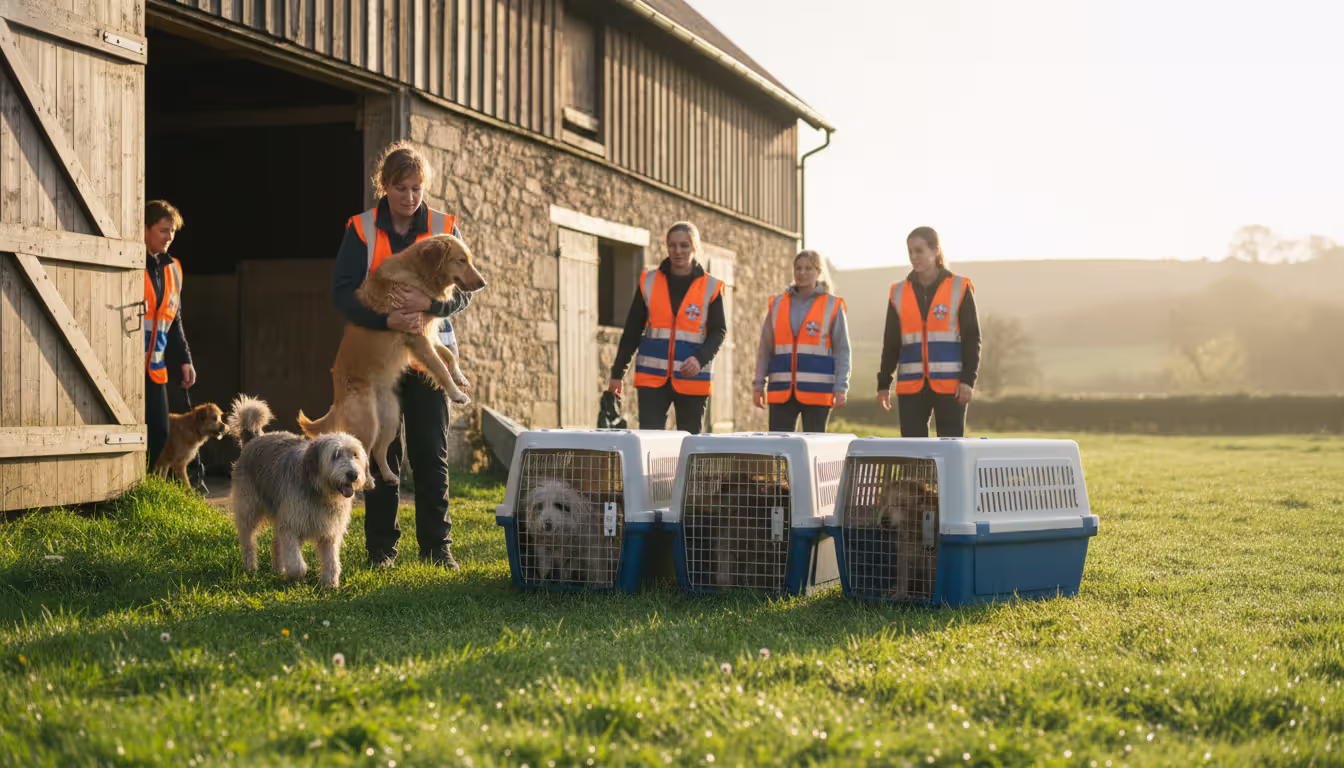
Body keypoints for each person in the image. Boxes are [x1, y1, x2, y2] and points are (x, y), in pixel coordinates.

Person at [331, 140, 472, 570]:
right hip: (379, 364)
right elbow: (343, 295)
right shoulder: (361, 228)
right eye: (400, 188)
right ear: (385, 185)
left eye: (417, 188)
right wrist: (387, 322)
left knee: (432, 456)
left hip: (427, 361)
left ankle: (437, 548)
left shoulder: (445, 226)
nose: (410, 198)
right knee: (380, 457)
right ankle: (381, 552)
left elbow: (463, 296)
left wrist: (432, 306)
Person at [608, 222, 726, 433]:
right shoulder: (649, 281)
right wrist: (617, 374)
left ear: (694, 247)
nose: (677, 251)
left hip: (692, 379)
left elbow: (718, 332)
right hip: (651, 379)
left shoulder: (711, 287)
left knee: (689, 444)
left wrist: (700, 359)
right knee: (650, 442)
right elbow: (632, 331)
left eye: (684, 245)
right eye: (672, 245)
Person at [876, 226, 981, 437]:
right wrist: (884, 384)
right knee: (914, 455)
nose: (914, 257)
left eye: (919, 251)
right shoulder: (898, 292)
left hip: (951, 386)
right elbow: (891, 344)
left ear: (936, 251)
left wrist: (968, 380)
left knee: (950, 452)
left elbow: (972, 339)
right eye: (910, 252)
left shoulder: (959, 288)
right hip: (910, 387)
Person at [752, 250, 851, 432]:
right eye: (798, 268)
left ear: (818, 271)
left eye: (808, 268)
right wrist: (758, 384)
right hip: (781, 391)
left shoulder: (832, 305)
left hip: (818, 392)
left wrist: (841, 387)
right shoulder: (778, 303)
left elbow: (842, 350)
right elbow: (765, 348)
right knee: (778, 449)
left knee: (812, 450)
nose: (802, 273)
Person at [143, 200, 196, 470]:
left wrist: (185, 360)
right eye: (163, 230)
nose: (169, 237)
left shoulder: (174, 268)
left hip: (156, 366)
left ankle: (144, 488)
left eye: (172, 231)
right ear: (145, 230)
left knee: (160, 432)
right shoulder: (129, 265)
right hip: (126, 367)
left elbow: (175, 321)